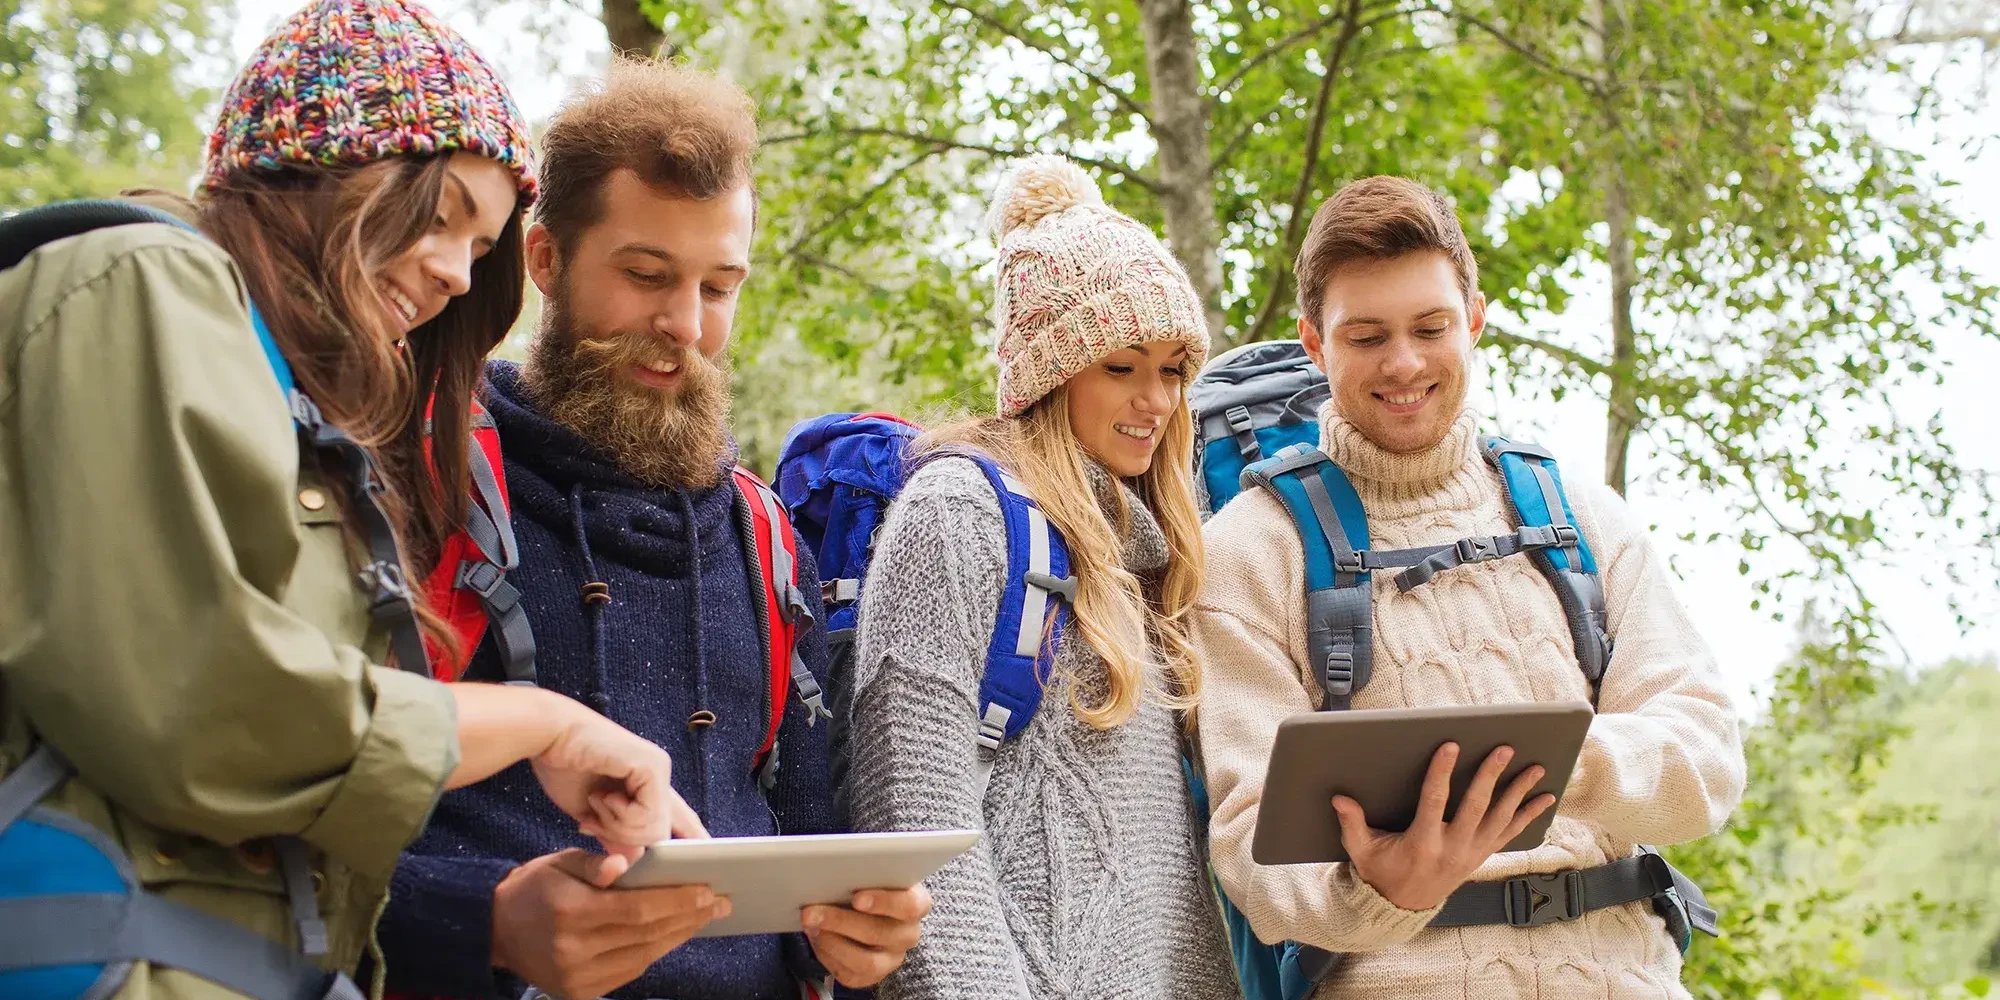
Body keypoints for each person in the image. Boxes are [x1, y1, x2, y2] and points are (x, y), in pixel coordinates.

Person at [0, 1, 699, 997]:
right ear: (323, 160)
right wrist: (541, 721)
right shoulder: (137, 281)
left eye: (482, 245)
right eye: (446, 213)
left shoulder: (287, 397)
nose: (457, 274)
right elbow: (197, 697)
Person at [378, 58, 929, 1000]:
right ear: (544, 259)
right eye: (646, 275)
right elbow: (290, 807)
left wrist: (851, 940)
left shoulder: (764, 533)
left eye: (719, 287)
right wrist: (484, 927)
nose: (684, 325)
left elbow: (804, 824)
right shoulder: (414, 475)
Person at [1192, 175, 1747, 998]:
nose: (1405, 362)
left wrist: (1549, 765)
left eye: (1430, 326)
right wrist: (1384, 888)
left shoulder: (1580, 517)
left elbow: (1706, 761)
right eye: (1367, 335)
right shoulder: (1247, 550)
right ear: (1316, 344)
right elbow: (1246, 843)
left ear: (1475, 319)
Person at [835, 155, 1242, 1000]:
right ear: (1051, 373)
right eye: (1121, 366)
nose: (1157, 399)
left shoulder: (1146, 549)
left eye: (1172, 368)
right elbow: (915, 818)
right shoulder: (958, 512)